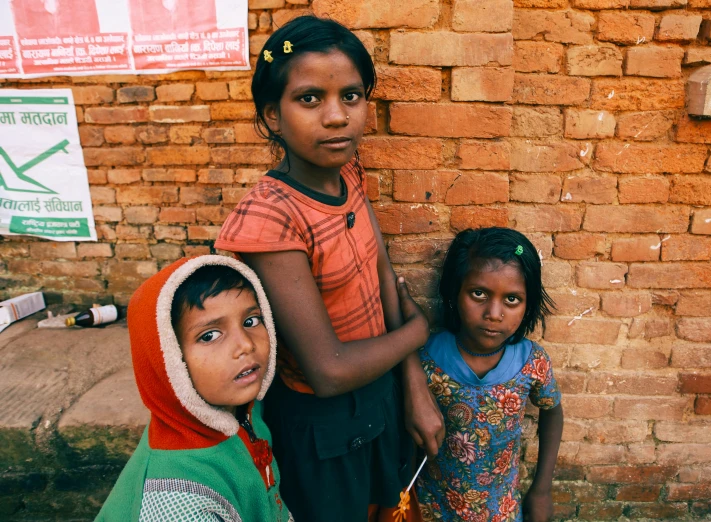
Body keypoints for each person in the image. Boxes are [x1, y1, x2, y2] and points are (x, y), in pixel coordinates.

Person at [214, 15, 444, 522]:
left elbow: (380, 268)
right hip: (324, 432)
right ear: (273, 115)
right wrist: (419, 331)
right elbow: (329, 370)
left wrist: (414, 385)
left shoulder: (347, 171)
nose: (337, 117)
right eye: (310, 98)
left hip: (380, 401)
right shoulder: (271, 219)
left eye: (352, 96)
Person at [96, 255, 291, 522]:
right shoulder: (180, 506)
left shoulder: (244, 411)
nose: (245, 344)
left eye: (251, 321)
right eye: (209, 335)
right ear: (168, 360)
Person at [416, 228, 564, 522]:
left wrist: (542, 489)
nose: (494, 313)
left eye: (511, 299)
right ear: (455, 292)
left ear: (527, 304)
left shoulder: (531, 362)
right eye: (479, 294)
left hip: (501, 509)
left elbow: (553, 412)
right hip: (433, 507)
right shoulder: (428, 358)